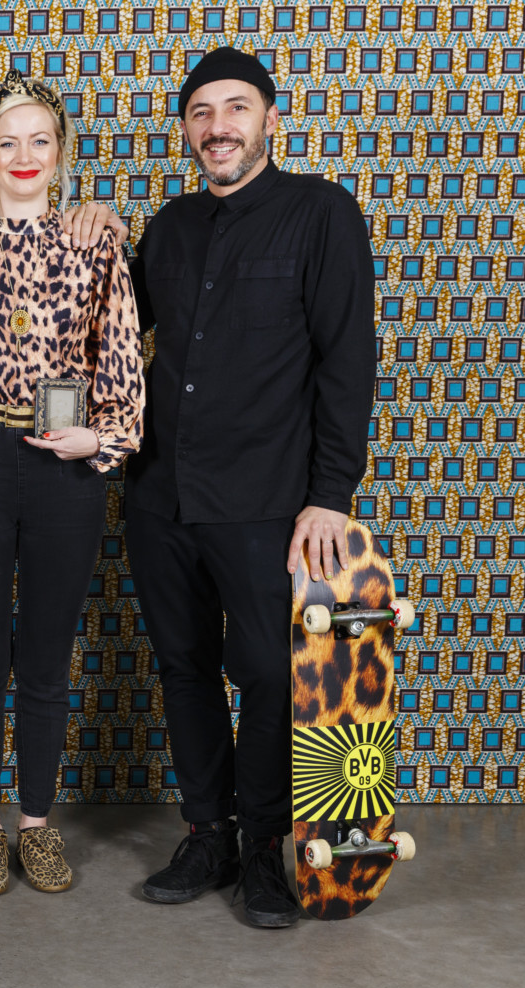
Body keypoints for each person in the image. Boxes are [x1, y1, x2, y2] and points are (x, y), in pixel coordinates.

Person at [123, 47, 377, 928]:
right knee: (183, 666)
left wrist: (330, 494)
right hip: (160, 495)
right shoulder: (168, 225)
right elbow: (109, 330)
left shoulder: (321, 213)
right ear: (186, 130)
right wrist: (88, 229)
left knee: (269, 671)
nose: (218, 126)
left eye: (235, 107)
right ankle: (209, 834)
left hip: (269, 500)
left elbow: (347, 361)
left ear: (271, 118)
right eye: (201, 112)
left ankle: (266, 845)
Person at [0, 69, 144, 895]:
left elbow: (121, 355)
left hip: (63, 463)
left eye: (39, 139)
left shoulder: (96, 243)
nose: (24, 154)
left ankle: (37, 824)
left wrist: (101, 438)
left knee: (46, 654)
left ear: (61, 150)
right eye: (7, 141)